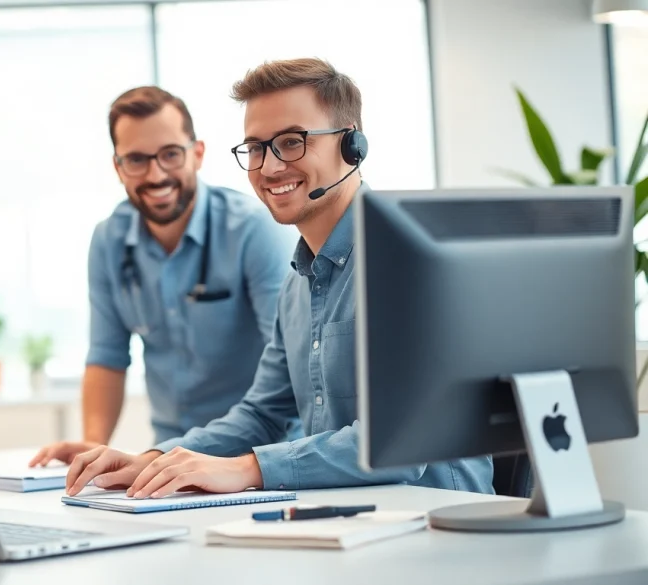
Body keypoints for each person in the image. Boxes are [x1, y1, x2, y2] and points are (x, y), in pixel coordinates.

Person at [62, 59, 495, 497]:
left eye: (291, 142)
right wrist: (154, 460)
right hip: (353, 525)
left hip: (440, 523)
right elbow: (263, 415)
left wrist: (249, 468)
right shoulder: (299, 281)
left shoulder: (408, 258)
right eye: (255, 148)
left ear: (352, 145)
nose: (269, 168)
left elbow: (403, 441)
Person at [30, 86, 300, 467]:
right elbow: (107, 357)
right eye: (137, 160)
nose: (156, 175)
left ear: (198, 154)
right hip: (167, 459)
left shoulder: (254, 230)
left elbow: (291, 362)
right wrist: (93, 445)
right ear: (118, 167)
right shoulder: (108, 241)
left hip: (257, 458)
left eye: (170, 155)